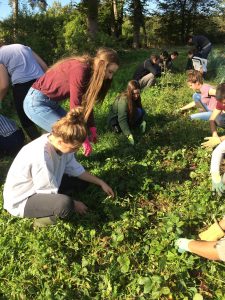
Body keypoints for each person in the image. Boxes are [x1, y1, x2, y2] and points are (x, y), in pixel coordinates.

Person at [3, 107, 114, 227]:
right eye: (74, 148)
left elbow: (76, 169)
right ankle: (42, 222)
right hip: (23, 199)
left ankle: (63, 197)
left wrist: (100, 182)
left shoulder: (60, 145)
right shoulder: (41, 156)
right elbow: (46, 192)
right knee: (64, 205)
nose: (77, 150)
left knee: (82, 182)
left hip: (44, 185)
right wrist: (74, 204)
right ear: (60, 141)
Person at [23, 47, 119, 156]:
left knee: (66, 136)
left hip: (51, 103)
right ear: (101, 65)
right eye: (110, 72)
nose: (110, 77)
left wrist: (91, 127)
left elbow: (86, 103)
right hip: (36, 103)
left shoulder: (90, 73)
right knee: (70, 135)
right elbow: (76, 104)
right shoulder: (81, 69)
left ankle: (66, 167)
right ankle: (60, 168)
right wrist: (82, 137)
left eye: (113, 73)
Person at [0, 43, 48, 140]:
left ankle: (38, 144)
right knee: (48, 110)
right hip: (42, 81)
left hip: (23, 85)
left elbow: (4, 84)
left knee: (25, 119)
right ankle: (67, 134)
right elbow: (44, 66)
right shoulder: (22, 46)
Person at [107, 80, 146, 145]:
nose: (136, 96)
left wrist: (142, 120)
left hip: (127, 116)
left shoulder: (137, 97)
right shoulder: (123, 100)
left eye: (138, 93)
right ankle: (126, 129)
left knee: (140, 111)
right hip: (115, 120)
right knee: (118, 130)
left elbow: (141, 109)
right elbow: (122, 119)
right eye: (134, 94)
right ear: (129, 92)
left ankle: (134, 125)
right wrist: (129, 135)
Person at [201, 83, 225, 149]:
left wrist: (220, 139)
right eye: (222, 102)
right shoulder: (221, 102)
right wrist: (214, 134)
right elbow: (212, 118)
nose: (223, 105)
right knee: (218, 119)